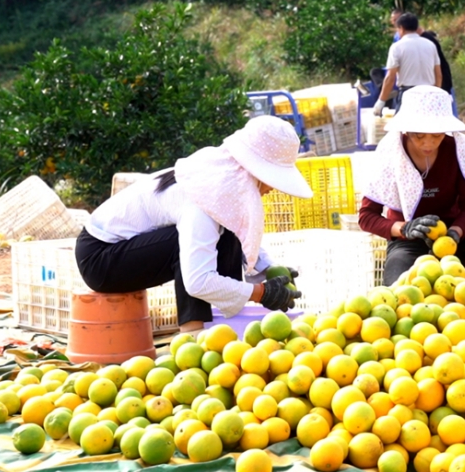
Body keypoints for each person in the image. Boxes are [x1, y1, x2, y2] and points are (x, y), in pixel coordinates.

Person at [74, 116, 312, 334]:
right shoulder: (200, 200)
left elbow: (236, 230)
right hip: (101, 259)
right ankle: (193, 335)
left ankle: (220, 323)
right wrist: (261, 293)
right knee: (189, 249)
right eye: (271, 180)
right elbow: (197, 280)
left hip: (122, 248)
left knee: (223, 231)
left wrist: (267, 269)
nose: (272, 189)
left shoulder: (217, 184)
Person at [359, 85, 465, 285]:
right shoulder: (392, 153)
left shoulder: (456, 149)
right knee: (397, 293)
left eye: (436, 136)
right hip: (409, 246)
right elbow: (366, 217)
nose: (428, 144)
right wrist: (404, 228)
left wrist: (455, 232)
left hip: (455, 242)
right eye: (419, 136)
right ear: (406, 131)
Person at [373, 13, 441, 116]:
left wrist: (380, 102)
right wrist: (435, 94)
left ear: (401, 28)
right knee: (427, 130)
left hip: (408, 94)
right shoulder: (430, 45)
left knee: (403, 130)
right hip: (429, 94)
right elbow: (438, 75)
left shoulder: (397, 47)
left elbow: (390, 78)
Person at [418, 26, 453, 96]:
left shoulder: (425, 40)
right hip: (442, 79)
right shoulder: (426, 38)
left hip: (440, 82)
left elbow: (436, 69)